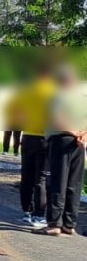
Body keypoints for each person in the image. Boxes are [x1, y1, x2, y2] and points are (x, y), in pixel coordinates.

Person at [36, 66, 86, 236]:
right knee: (74, 185)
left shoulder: (56, 97)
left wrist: (72, 131)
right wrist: (82, 135)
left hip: (61, 141)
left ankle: (54, 224)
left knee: (58, 183)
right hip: (79, 145)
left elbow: (56, 121)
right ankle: (69, 224)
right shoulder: (82, 99)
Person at [14, 67, 55, 228]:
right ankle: (39, 215)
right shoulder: (53, 91)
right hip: (45, 138)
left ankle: (26, 211)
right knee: (42, 178)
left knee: (26, 176)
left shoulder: (26, 90)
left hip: (28, 136)